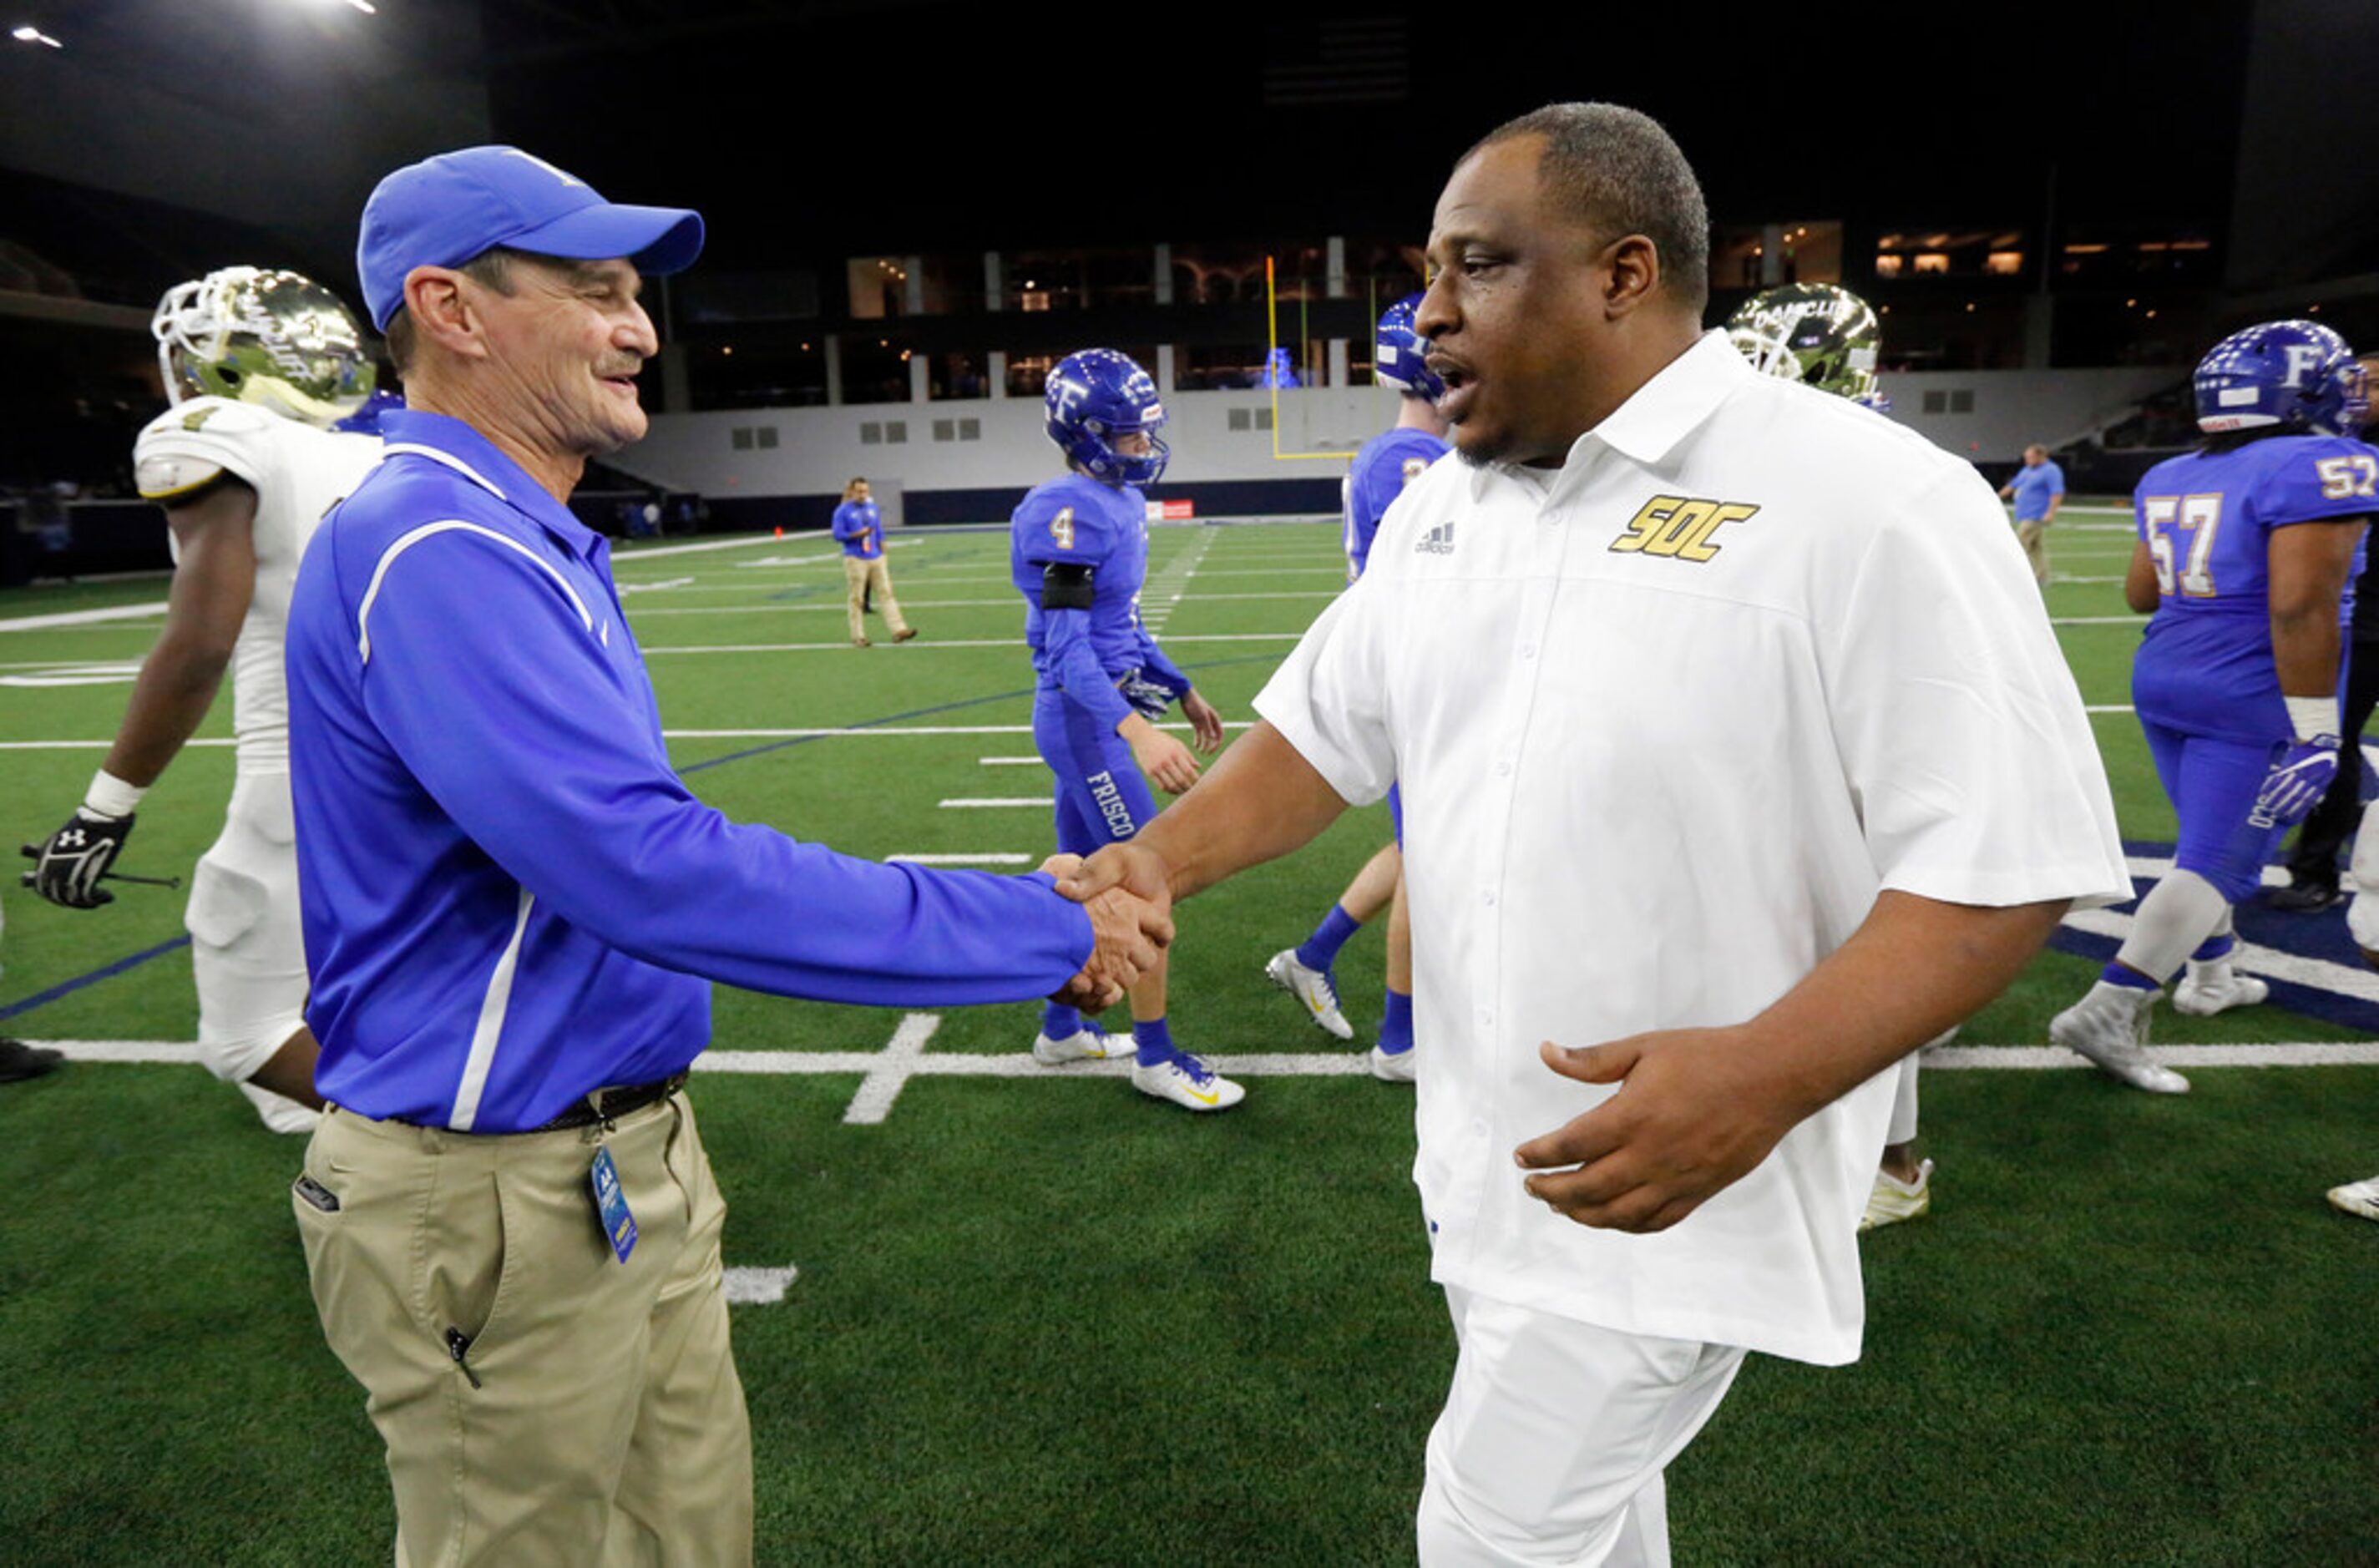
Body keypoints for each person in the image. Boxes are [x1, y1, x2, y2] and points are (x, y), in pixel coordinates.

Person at [1060, 103, 2128, 1563]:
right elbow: (1320, 735)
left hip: (1675, 1180)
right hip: (1481, 1155)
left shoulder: (1866, 498)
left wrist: (1760, 1076)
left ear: (1624, 273)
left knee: (1485, 1534)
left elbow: (2001, 864)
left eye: (1476, 265)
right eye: (1429, 269)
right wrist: (1154, 863)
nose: (1427, 311)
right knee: (1599, 1533)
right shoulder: (1455, 508)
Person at [286, 145, 1167, 1564]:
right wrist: (1042, 928)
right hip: (490, 1191)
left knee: (696, 1535)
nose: (640, 327)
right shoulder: (435, 538)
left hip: (618, 1164)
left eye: (636, 292)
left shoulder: (519, 530)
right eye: (593, 291)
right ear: (449, 309)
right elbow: (646, 869)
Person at [23, 266, 382, 1134]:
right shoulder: (387, 446)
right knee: (361, 977)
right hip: (416, 759)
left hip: (306, 764)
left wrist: (105, 810)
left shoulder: (212, 433)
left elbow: (199, 644)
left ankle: (452, 1161)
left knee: (245, 1035)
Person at [2049, 321, 2373, 1094]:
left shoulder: (2168, 473)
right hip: (2251, 686)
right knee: (2221, 858)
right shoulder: (2323, 462)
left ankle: (2213, 975)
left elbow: (2140, 593)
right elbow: (2299, 608)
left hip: (2164, 672)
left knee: (2207, 838)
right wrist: (2318, 732)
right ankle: (2112, 1004)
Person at [1723, 280, 1940, 1230]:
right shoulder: (1796, 460)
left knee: (1862, 953)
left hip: (1866, 747)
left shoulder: (1883, 475)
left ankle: (1891, 1166)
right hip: (1788, 745)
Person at [1010, 347, 1241, 1110]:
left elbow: (1121, 624)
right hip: (1085, 723)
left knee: (1081, 874)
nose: (1142, 448)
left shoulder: (1112, 504)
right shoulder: (1063, 511)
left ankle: (1059, 1031)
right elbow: (1071, 650)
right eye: (1126, 436)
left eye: (1145, 434)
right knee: (1148, 885)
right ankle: (1156, 1056)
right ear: (1081, 434)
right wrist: (1136, 732)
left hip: (1098, 717)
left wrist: (1179, 689)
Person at [1266, 294, 1449, 1081]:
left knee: (1417, 852)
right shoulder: (1407, 458)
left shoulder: (1410, 453)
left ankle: (1313, 956)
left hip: (1414, 674)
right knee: (1430, 858)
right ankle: (1400, 1039)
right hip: (1416, 681)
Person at [2273, 355, 2379, 911]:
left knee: (2328, 747)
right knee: (2330, 745)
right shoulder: (2327, 449)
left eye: (2373, 381)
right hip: (2357, 628)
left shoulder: (2346, 457)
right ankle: (2315, 871)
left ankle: (2315, 871)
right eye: (2354, 380)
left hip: (2363, 625)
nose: (2358, 390)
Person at [831, 475, 914, 646]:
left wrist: (883, 550)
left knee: (887, 594)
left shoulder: (872, 508)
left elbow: (878, 531)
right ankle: (858, 636)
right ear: (852, 492)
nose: (862, 494)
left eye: (865, 491)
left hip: (875, 557)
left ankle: (899, 630)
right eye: (859, 491)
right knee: (857, 598)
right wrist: (857, 535)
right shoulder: (842, 511)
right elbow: (838, 535)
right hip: (855, 557)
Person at [1999, 443, 2067, 587]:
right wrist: (1995, 497)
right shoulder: (2027, 470)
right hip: (2024, 513)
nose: (2027, 460)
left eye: (2030, 457)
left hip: (2036, 515)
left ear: (2041, 456)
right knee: (2036, 547)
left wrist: (2051, 512)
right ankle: (2041, 577)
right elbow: (2013, 485)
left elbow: (2057, 493)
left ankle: (2016, 576)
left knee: (2020, 544)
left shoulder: (2051, 471)